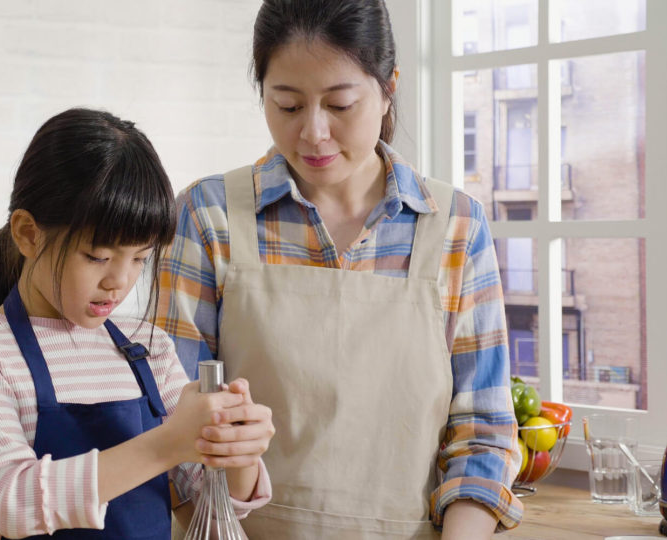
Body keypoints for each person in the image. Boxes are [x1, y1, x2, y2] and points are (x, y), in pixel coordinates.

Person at [157, 1, 523, 538]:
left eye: (340, 104)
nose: (314, 133)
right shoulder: (208, 215)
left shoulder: (456, 227)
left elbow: (483, 434)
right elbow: (172, 420)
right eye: (286, 106)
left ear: (388, 87)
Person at [0, 108, 275, 540]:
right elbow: (13, 500)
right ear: (27, 234)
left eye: (139, 259)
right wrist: (171, 441)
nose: (119, 282)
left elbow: (209, 498)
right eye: (98, 257)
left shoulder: (146, 346)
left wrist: (236, 447)